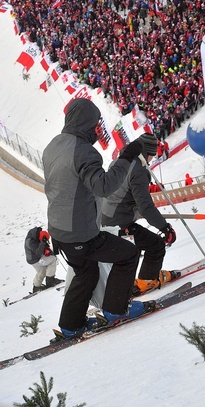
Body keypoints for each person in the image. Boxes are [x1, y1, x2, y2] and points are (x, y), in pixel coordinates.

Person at [42, 97, 146, 338]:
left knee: (86, 272)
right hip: (80, 232)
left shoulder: (53, 146)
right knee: (127, 255)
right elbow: (104, 187)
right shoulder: (84, 152)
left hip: (59, 231)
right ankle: (116, 310)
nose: (97, 130)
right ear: (87, 123)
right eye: (95, 125)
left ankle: (71, 325)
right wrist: (125, 158)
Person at [101, 132, 177, 296]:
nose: (152, 160)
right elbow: (145, 207)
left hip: (106, 219)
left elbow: (121, 193)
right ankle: (146, 281)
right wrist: (165, 228)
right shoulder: (139, 171)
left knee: (136, 248)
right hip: (118, 223)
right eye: (153, 155)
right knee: (155, 245)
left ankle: (145, 277)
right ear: (148, 153)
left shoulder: (119, 161)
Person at [24, 227, 63, 293]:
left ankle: (36, 287)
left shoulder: (35, 236)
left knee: (42, 272)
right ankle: (50, 280)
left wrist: (46, 247)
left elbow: (40, 247)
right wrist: (43, 242)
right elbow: (38, 252)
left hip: (34, 259)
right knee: (53, 259)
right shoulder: (31, 242)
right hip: (36, 260)